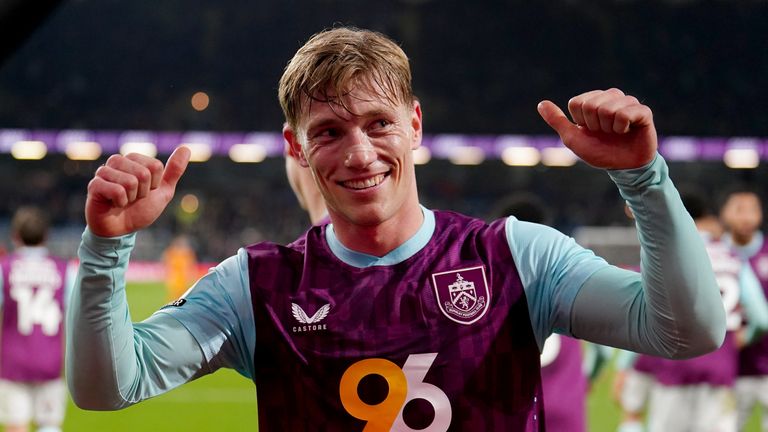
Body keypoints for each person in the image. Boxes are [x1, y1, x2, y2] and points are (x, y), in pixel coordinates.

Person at [66, 27, 725, 431]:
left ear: (414, 125)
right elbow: (108, 388)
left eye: (378, 123)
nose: (359, 154)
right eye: (329, 132)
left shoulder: (516, 256)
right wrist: (106, 248)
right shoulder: (255, 285)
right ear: (296, 149)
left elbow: (687, 331)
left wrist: (644, 180)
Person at [626, 190, 768, 432]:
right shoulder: (732, 256)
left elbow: (639, 312)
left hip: (673, 367)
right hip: (720, 367)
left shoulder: (664, 253)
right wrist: (737, 340)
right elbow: (762, 319)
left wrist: (626, 366)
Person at [0, 207, 74, 432]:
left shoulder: (5, 269)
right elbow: (73, 319)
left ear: (15, 236)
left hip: (13, 361)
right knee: (50, 424)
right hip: (49, 360)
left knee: (16, 425)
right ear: (46, 236)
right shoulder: (64, 271)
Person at [719, 187, 768, 431]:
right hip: (729, 369)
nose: (746, 217)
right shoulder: (715, 254)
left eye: (752, 210)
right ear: (725, 214)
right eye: (739, 210)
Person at [162, 234, 198, 301]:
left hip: (182, 278)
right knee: (175, 296)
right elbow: (167, 262)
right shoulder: (172, 252)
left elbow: (190, 265)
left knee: (183, 296)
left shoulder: (187, 253)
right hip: (175, 278)